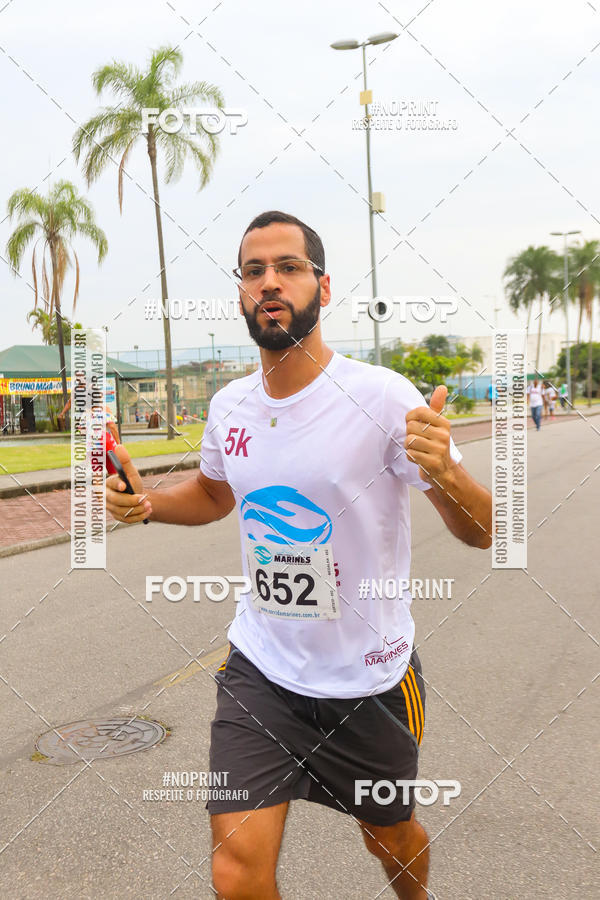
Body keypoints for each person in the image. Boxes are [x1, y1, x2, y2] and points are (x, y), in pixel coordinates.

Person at [106, 211, 492, 900]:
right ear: (241, 294)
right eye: (253, 272)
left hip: (367, 683)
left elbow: (482, 532)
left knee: (391, 841)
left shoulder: (380, 397)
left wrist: (451, 474)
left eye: (288, 267)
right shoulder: (231, 406)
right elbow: (216, 494)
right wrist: (149, 502)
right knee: (234, 870)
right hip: (262, 670)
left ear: (323, 285)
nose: (270, 283)